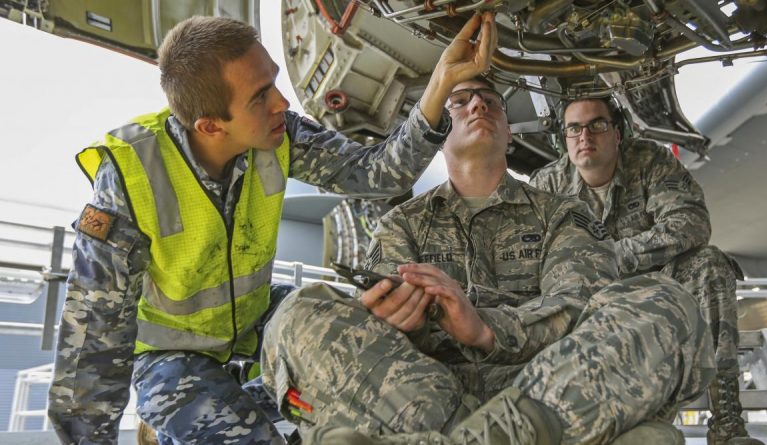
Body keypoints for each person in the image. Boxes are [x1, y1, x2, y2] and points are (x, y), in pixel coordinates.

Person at [47, 12, 499, 445]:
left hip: (256, 319)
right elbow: (93, 349)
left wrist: (440, 84)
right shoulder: (130, 176)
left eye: (275, 81)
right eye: (260, 95)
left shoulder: (280, 132)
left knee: (361, 340)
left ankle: (260, 398)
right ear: (210, 125)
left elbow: (377, 174)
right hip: (171, 355)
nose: (282, 102)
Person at [260, 77, 715, 445]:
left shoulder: (564, 214)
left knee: (663, 302)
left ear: (509, 131)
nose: (478, 106)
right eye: (460, 102)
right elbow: (384, 346)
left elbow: (579, 308)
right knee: (300, 314)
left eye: (491, 102)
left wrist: (484, 328)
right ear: (438, 134)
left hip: (545, 389)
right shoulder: (401, 224)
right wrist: (404, 320)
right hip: (429, 393)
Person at [528, 97, 761, 445]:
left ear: (618, 133)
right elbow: (533, 260)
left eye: (597, 125)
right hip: (586, 297)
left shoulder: (650, 161)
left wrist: (615, 255)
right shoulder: (548, 185)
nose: (584, 136)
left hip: (655, 283)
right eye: (574, 129)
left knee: (710, 263)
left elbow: (691, 223)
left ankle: (727, 426)